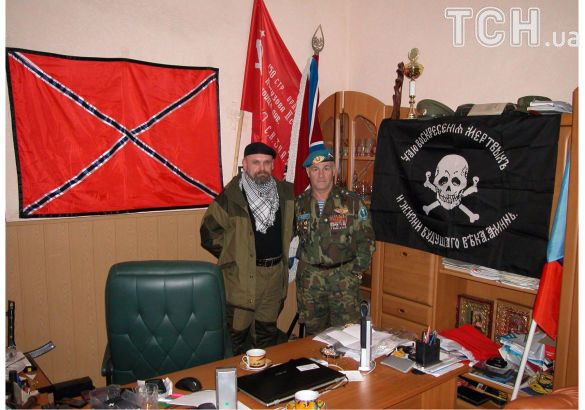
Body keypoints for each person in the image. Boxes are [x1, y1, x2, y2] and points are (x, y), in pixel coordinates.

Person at [200, 142, 294, 354]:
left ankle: (264, 374)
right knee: (235, 337)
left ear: (273, 165)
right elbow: (208, 233)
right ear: (245, 164)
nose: (262, 168)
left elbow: (293, 227)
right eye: (256, 162)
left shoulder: (285, 195)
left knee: (266, 335)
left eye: (267, 163)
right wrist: (235, 257)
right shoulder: (231, 197)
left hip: (274, 277)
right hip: (242, 279)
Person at [295, 147, 375, 335]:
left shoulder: (352, 202)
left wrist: (355, 272)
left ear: (334, 171)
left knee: (347, 336)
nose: (321, 174)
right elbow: (285, 236)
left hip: (343, 281)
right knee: (314, 337)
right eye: (315, 169)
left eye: (326, 168)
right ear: (308, 172)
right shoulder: (299, 204)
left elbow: (367, 240)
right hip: (311, 284)